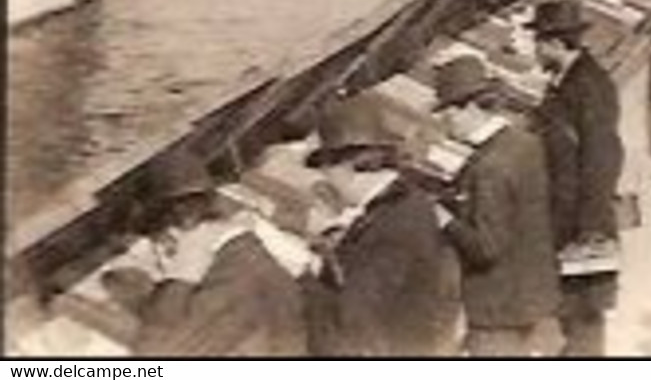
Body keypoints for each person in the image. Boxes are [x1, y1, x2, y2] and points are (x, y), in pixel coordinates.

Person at [302, 92, 463, 356]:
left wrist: (303, 273)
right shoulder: (408, 199)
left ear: (347, 165)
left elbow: (351, 322)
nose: (326, 180)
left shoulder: (391, 230)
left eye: (325, 168)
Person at [102, 151, 307, 357]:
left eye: (160, 242)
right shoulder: (257, 261)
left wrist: (177, 278)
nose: (164, 256)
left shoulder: (234, 271)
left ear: (180, 223)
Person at [432, 55, 561, 357]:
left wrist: (444, 220)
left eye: (446, 112)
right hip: (533, 294)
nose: (444, 121)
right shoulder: (524, 143)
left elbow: (487, 247)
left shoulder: (489, 167)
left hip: (498, 311)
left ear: (467, 108)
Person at [528, 0, 625, 358]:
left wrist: (588, 231)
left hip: (584, 220)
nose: (535, 51)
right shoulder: (567, 80)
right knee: (572, 307)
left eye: (538, 43)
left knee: (585, 311)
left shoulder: (590, 87)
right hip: (568, 214)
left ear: (553, 44)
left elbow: (603, 158)